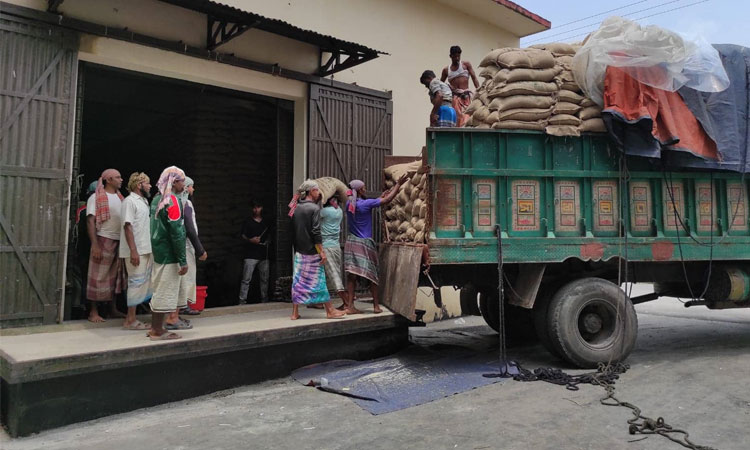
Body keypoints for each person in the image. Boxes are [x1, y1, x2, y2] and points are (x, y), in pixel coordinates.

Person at [343, 175, 407, 314]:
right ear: (359, 190)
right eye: (364, 187)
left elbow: (380, 199)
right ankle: (376, 306)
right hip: (364, 243)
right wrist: (398, 184)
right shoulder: (366, 204)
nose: (365, 189)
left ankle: (350, 306)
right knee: (372, 275)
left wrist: (382, 195)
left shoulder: (349, 204)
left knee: (351, 276)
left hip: (352, 242)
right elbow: (387, 200)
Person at [288, 180, 346, 320]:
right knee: (320, 280)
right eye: (317, 190)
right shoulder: (314, 209)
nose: (319, 193)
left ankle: (295, 313)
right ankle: (330, 310)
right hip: (312, 251)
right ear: (311, 191)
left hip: (299, 251)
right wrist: (321, 251)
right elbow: (316, 232)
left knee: (298, 281)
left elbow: (292, 225)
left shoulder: (295, 207)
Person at [147, 166, 189, 340]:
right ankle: (158, 330)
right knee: (165, 290)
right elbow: (176, 232)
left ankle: (155, 327)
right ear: (174, 182)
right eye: (181, 181)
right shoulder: (172, 201)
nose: (184, 185)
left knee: (159, 289)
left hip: (158, 251)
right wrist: (182, 259)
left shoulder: (157, 199)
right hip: (169, 254)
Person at [85, 169, 125, 322]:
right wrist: (95, 245)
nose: (121, 180)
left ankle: (112, 309)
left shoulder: (121, 198)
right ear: (108, 180)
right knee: (97, 277)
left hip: (119, 240)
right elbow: (90, 221)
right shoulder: (96, 198)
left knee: (114, 277)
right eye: (117, 177)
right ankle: (93, 312)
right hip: (103, 239)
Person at [119, 172, 153, 330]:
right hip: (136, 250)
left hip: (145, 249)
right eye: (147, 183)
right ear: (139, 185)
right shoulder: (129, 201)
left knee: (142, 284)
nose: (150, 186)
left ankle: (134, 318)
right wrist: (133, 251)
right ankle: (130, 320)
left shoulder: (144, 201)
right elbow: (128, 226)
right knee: (135, 283)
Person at [177, 176, 207, 317]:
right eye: (191, 186)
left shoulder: (180, 202)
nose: (192, 189)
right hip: (187, 246)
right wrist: (200, 249)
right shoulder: (186, 203)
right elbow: (189, 228)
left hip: (182, 246)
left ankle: (181, 306)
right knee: (187, 276)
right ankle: (184, 306)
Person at [319, 196, 348, 309]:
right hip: (336, 246)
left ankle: (346, 302)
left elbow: (314, 217)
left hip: (326, 247)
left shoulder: (325, 211)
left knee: (333, 275)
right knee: (328, 274)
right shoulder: (339, 211)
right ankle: (319, 301)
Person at [239, 200, 270, 304]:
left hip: (263, 254)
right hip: (250, 254)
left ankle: (264, 300)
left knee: (264, 280)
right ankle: (242, 301)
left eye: (258, 207)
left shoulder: (266, 222)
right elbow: (242, 236)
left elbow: (270, 235)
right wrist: (250, 240)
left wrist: (267, 242)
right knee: (246, 279)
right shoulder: (247, 221)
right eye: (254, 207)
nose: (256, 210)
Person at [441, 45, 480, 127]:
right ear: (450, 56)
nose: (457, 58)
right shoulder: (446, 70)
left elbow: (474, 78)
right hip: (455, 98)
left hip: (466, 97)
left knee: (466, 117)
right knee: (458, 119)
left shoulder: (466, 65)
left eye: (458, 56)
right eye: (455, 56)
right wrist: (448, 88)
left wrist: (479, 91)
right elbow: (441, 84)